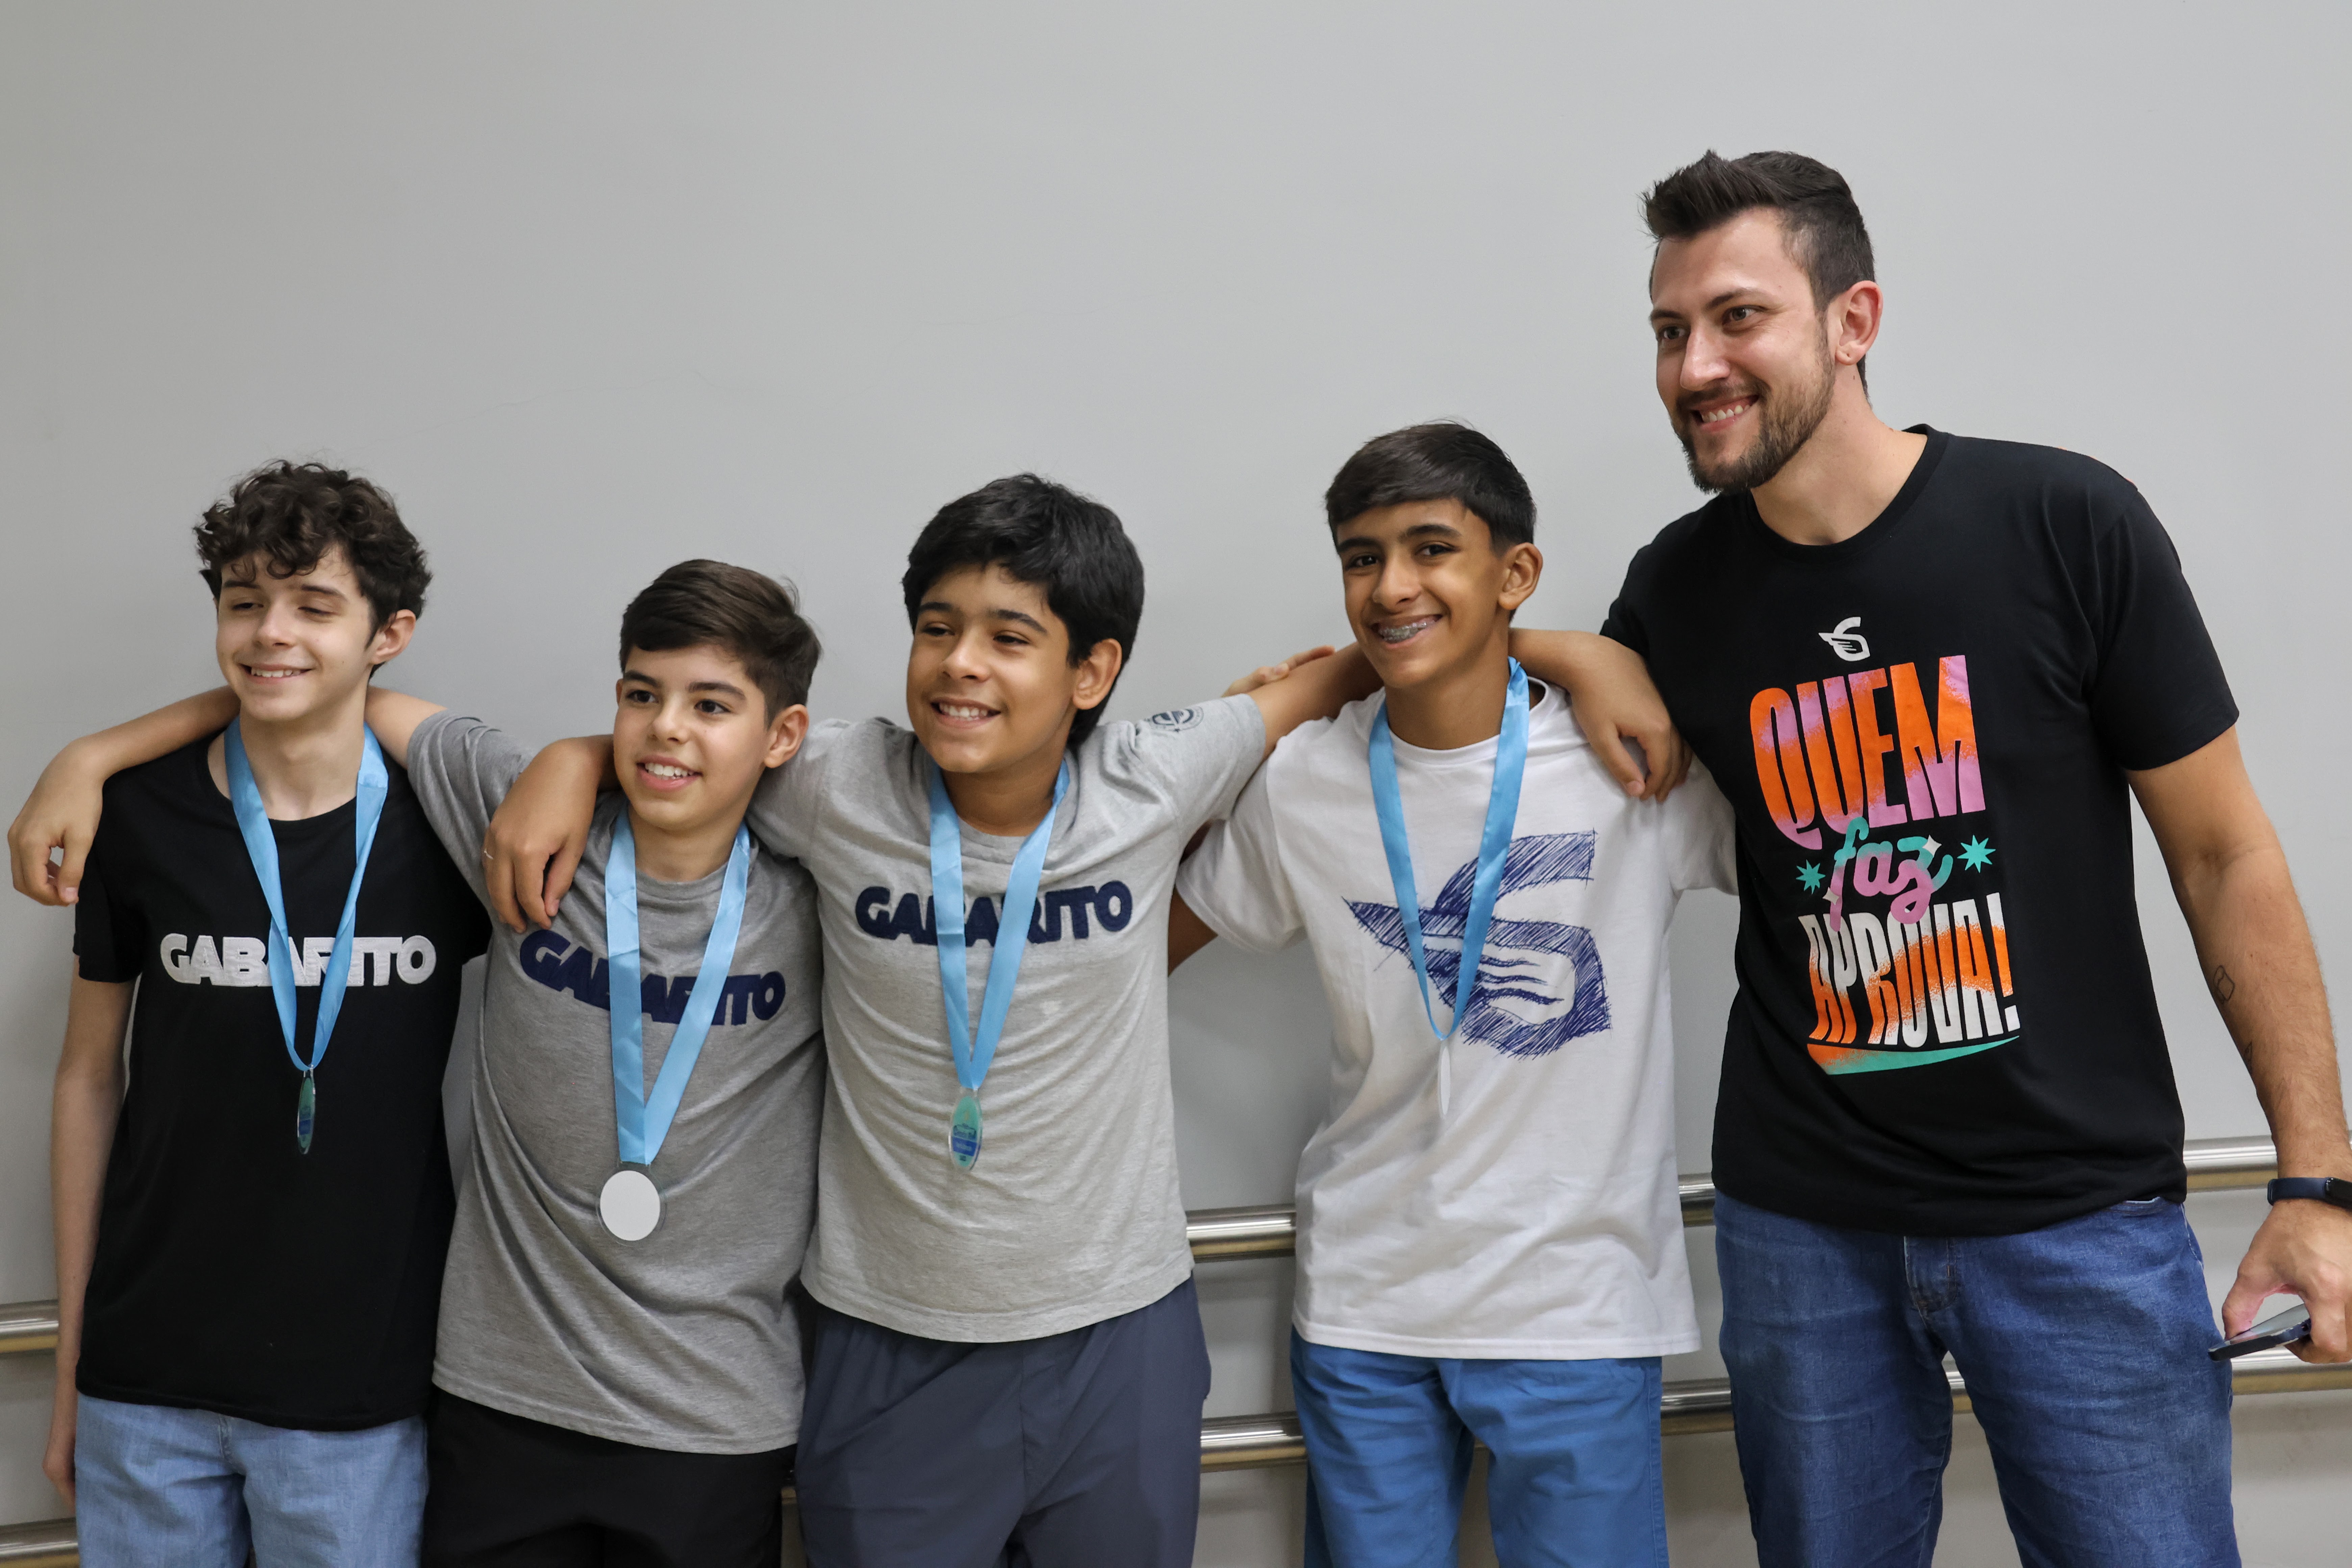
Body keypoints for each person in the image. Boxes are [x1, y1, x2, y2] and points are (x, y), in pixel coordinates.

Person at [483, 472, 1680, 1566]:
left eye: (1011, 638)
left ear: (1093, 673)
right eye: (938, 629)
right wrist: (572, 760)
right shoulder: (836, 783)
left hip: (1119, 1343)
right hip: (892, 1342)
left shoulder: (1154, 776)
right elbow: (691, 741)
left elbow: (1362, 665)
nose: (962, 666)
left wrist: (1578, 655)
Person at [1600, 148, 2352, 1566]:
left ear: (1855, 319)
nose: (1695, 366)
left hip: (2077, 1221)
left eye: (1739, 317)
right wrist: (1555, 649)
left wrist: (2317, 1184)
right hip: (1802, 1227)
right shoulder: (1674, 591)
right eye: (1669, 329)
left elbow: (2225, 855)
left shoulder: (2062, 523)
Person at [15, 558, 830, 1567]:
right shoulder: (514, 829)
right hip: (496, 1403)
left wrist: (578, 756)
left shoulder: (819, 897)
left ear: (781, 736)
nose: (667, 727)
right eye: (640, 697)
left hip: (703, 1416)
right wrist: (92, 755)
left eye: (709, 705)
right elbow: (311, 689)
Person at [1169, 422, 1731, 1568]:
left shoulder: (1633, 756)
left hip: (1577, 1305)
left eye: (1432, 549)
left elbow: (1813, 871)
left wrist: (1590, 656)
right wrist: (1231, 750)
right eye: (1361, 557)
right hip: (1366, 1304)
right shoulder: (1305, 775)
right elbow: (1131, 942)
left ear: (1515, 573)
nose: (1392, 586)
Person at [14, 463, 490, 1567]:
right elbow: (88, 1079)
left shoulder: (450, 827)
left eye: (315, 606)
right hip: (146, 1384)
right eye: (244, 602)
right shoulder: (140, 815)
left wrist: (91, 745)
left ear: (390, 634)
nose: (271, 632)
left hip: (359, 1393)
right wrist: (75, 1363)